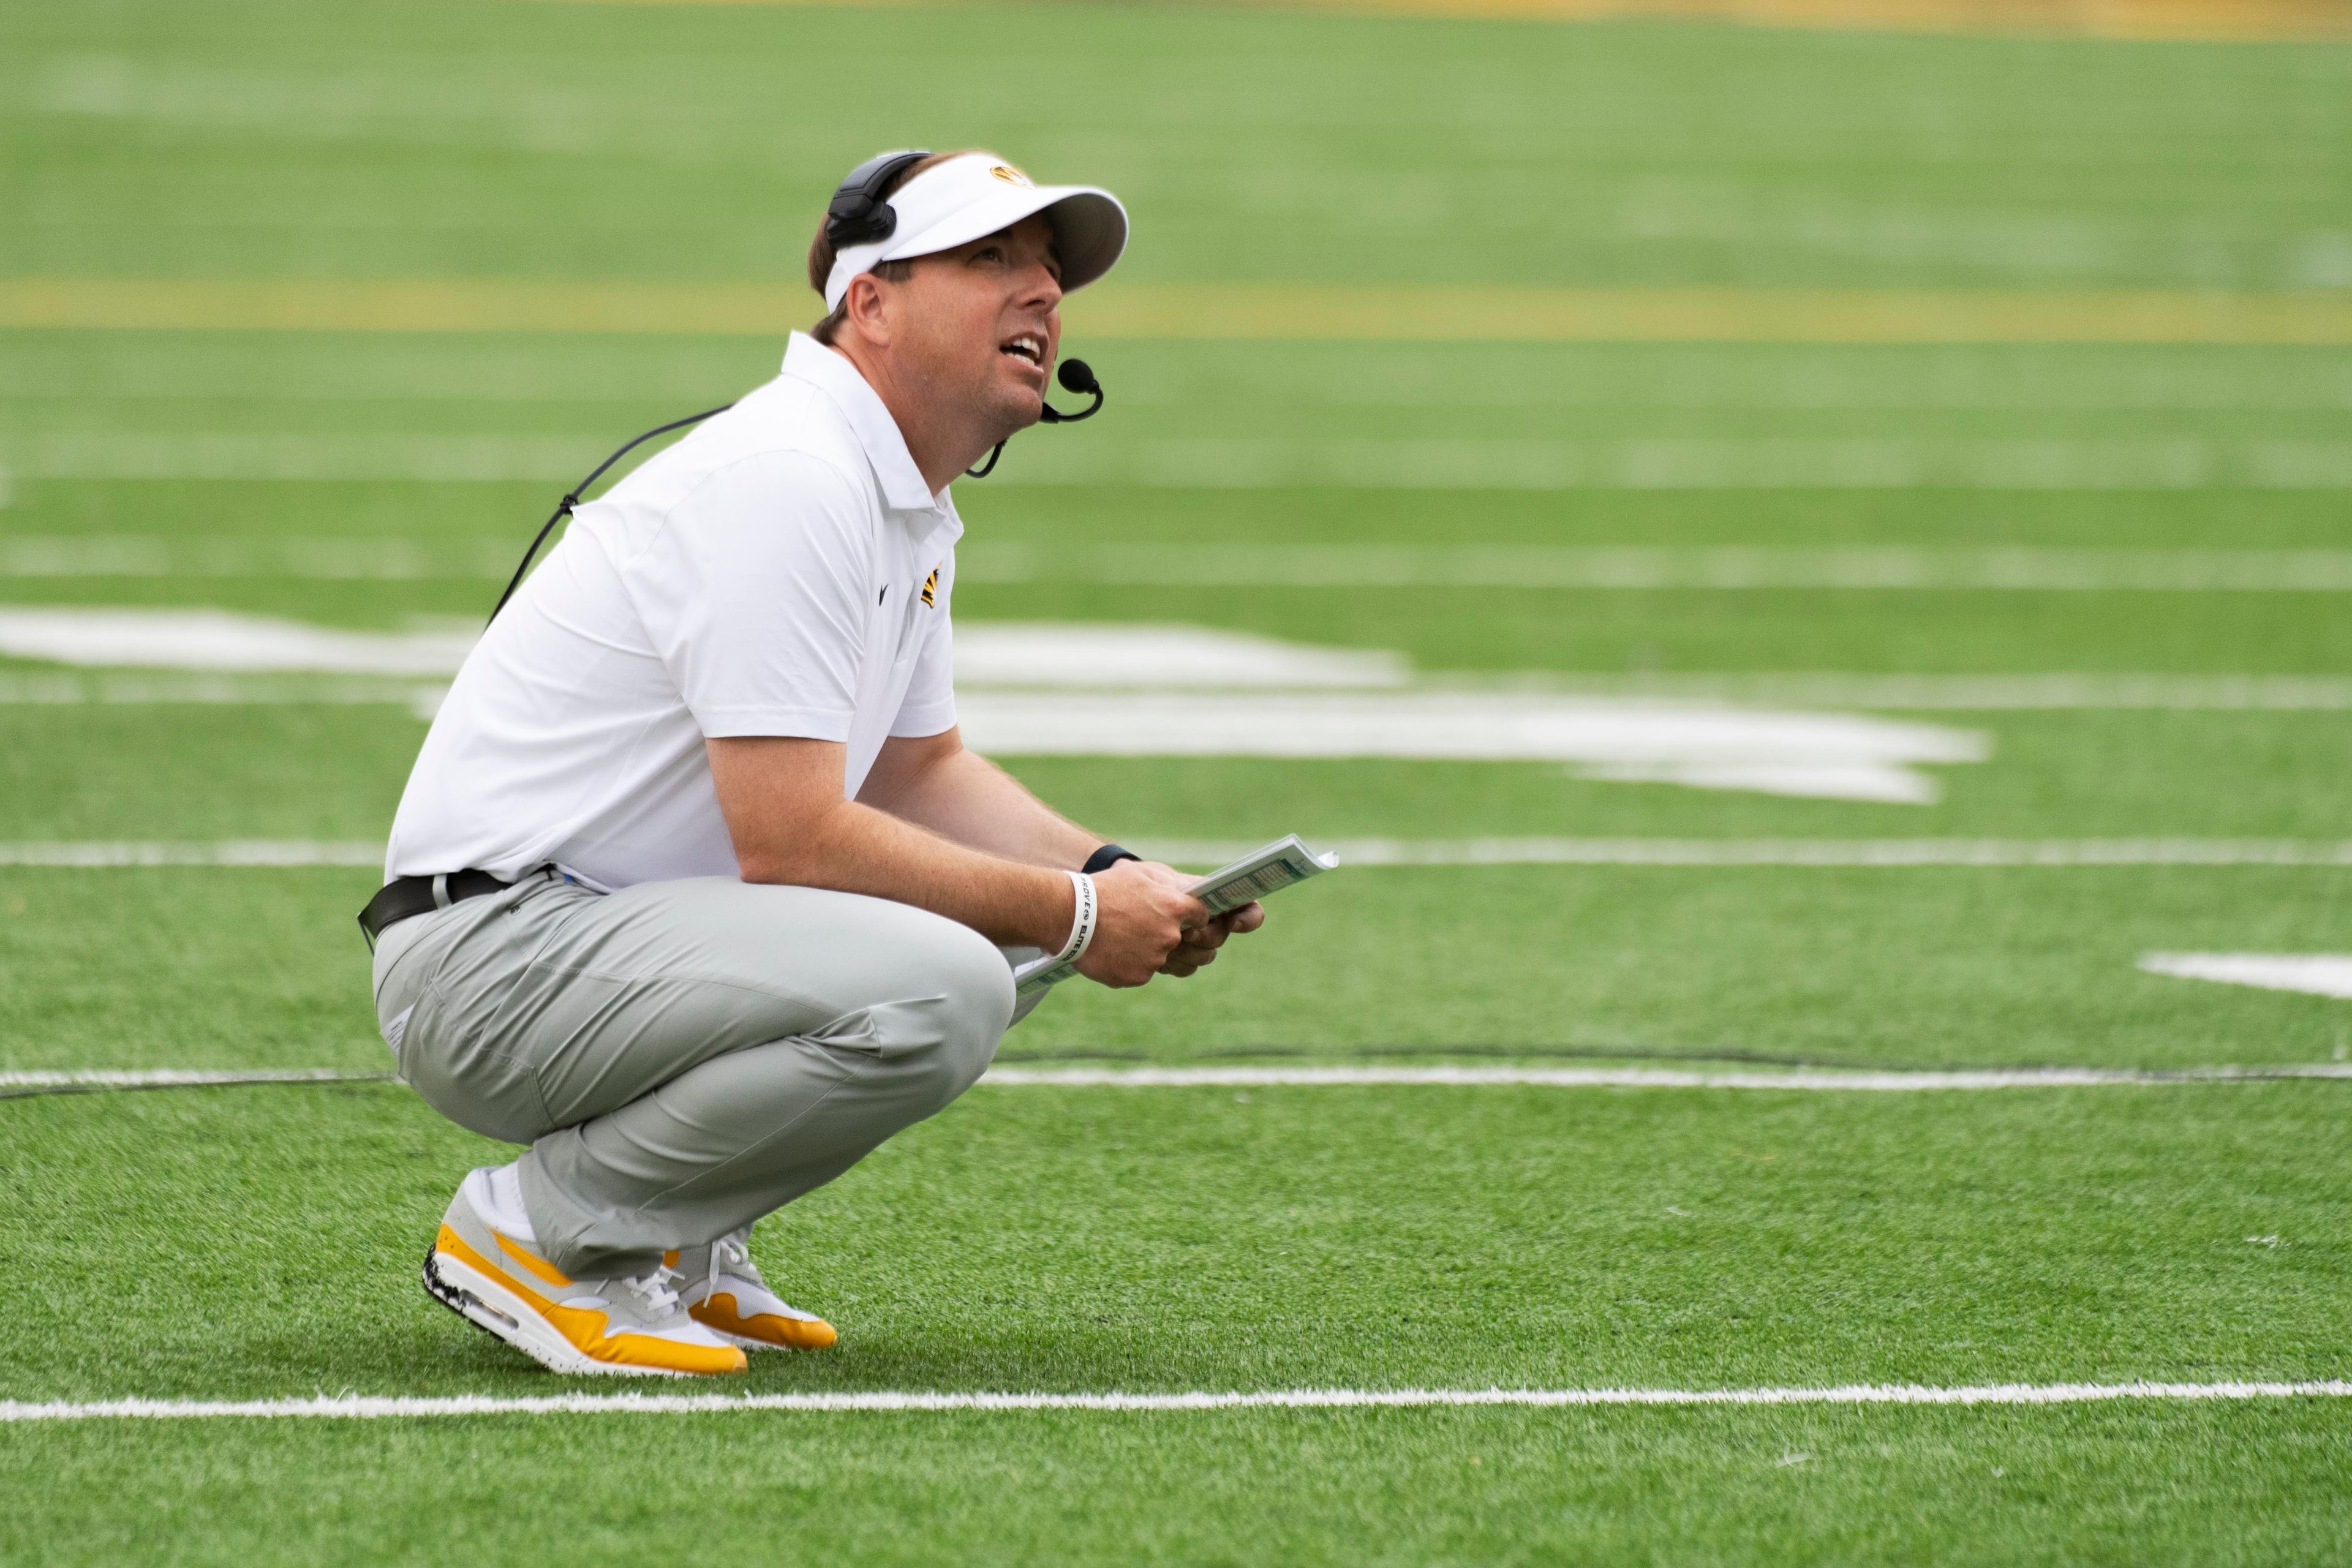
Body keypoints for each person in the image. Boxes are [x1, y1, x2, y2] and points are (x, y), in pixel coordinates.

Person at [363, 149, 1265, 1378]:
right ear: (871, 301)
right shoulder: (792, 474)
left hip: (579, 938)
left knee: (999, 936)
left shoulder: (886, 487)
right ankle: (541, 1231)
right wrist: (1081, 909)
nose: (1044, 294)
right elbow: (791, 837)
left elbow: (918, 770)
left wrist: (1112, 873)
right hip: (496, 960)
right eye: (991, 257)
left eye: (1052, 270)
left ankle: (675, 1244)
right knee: (954, 977)